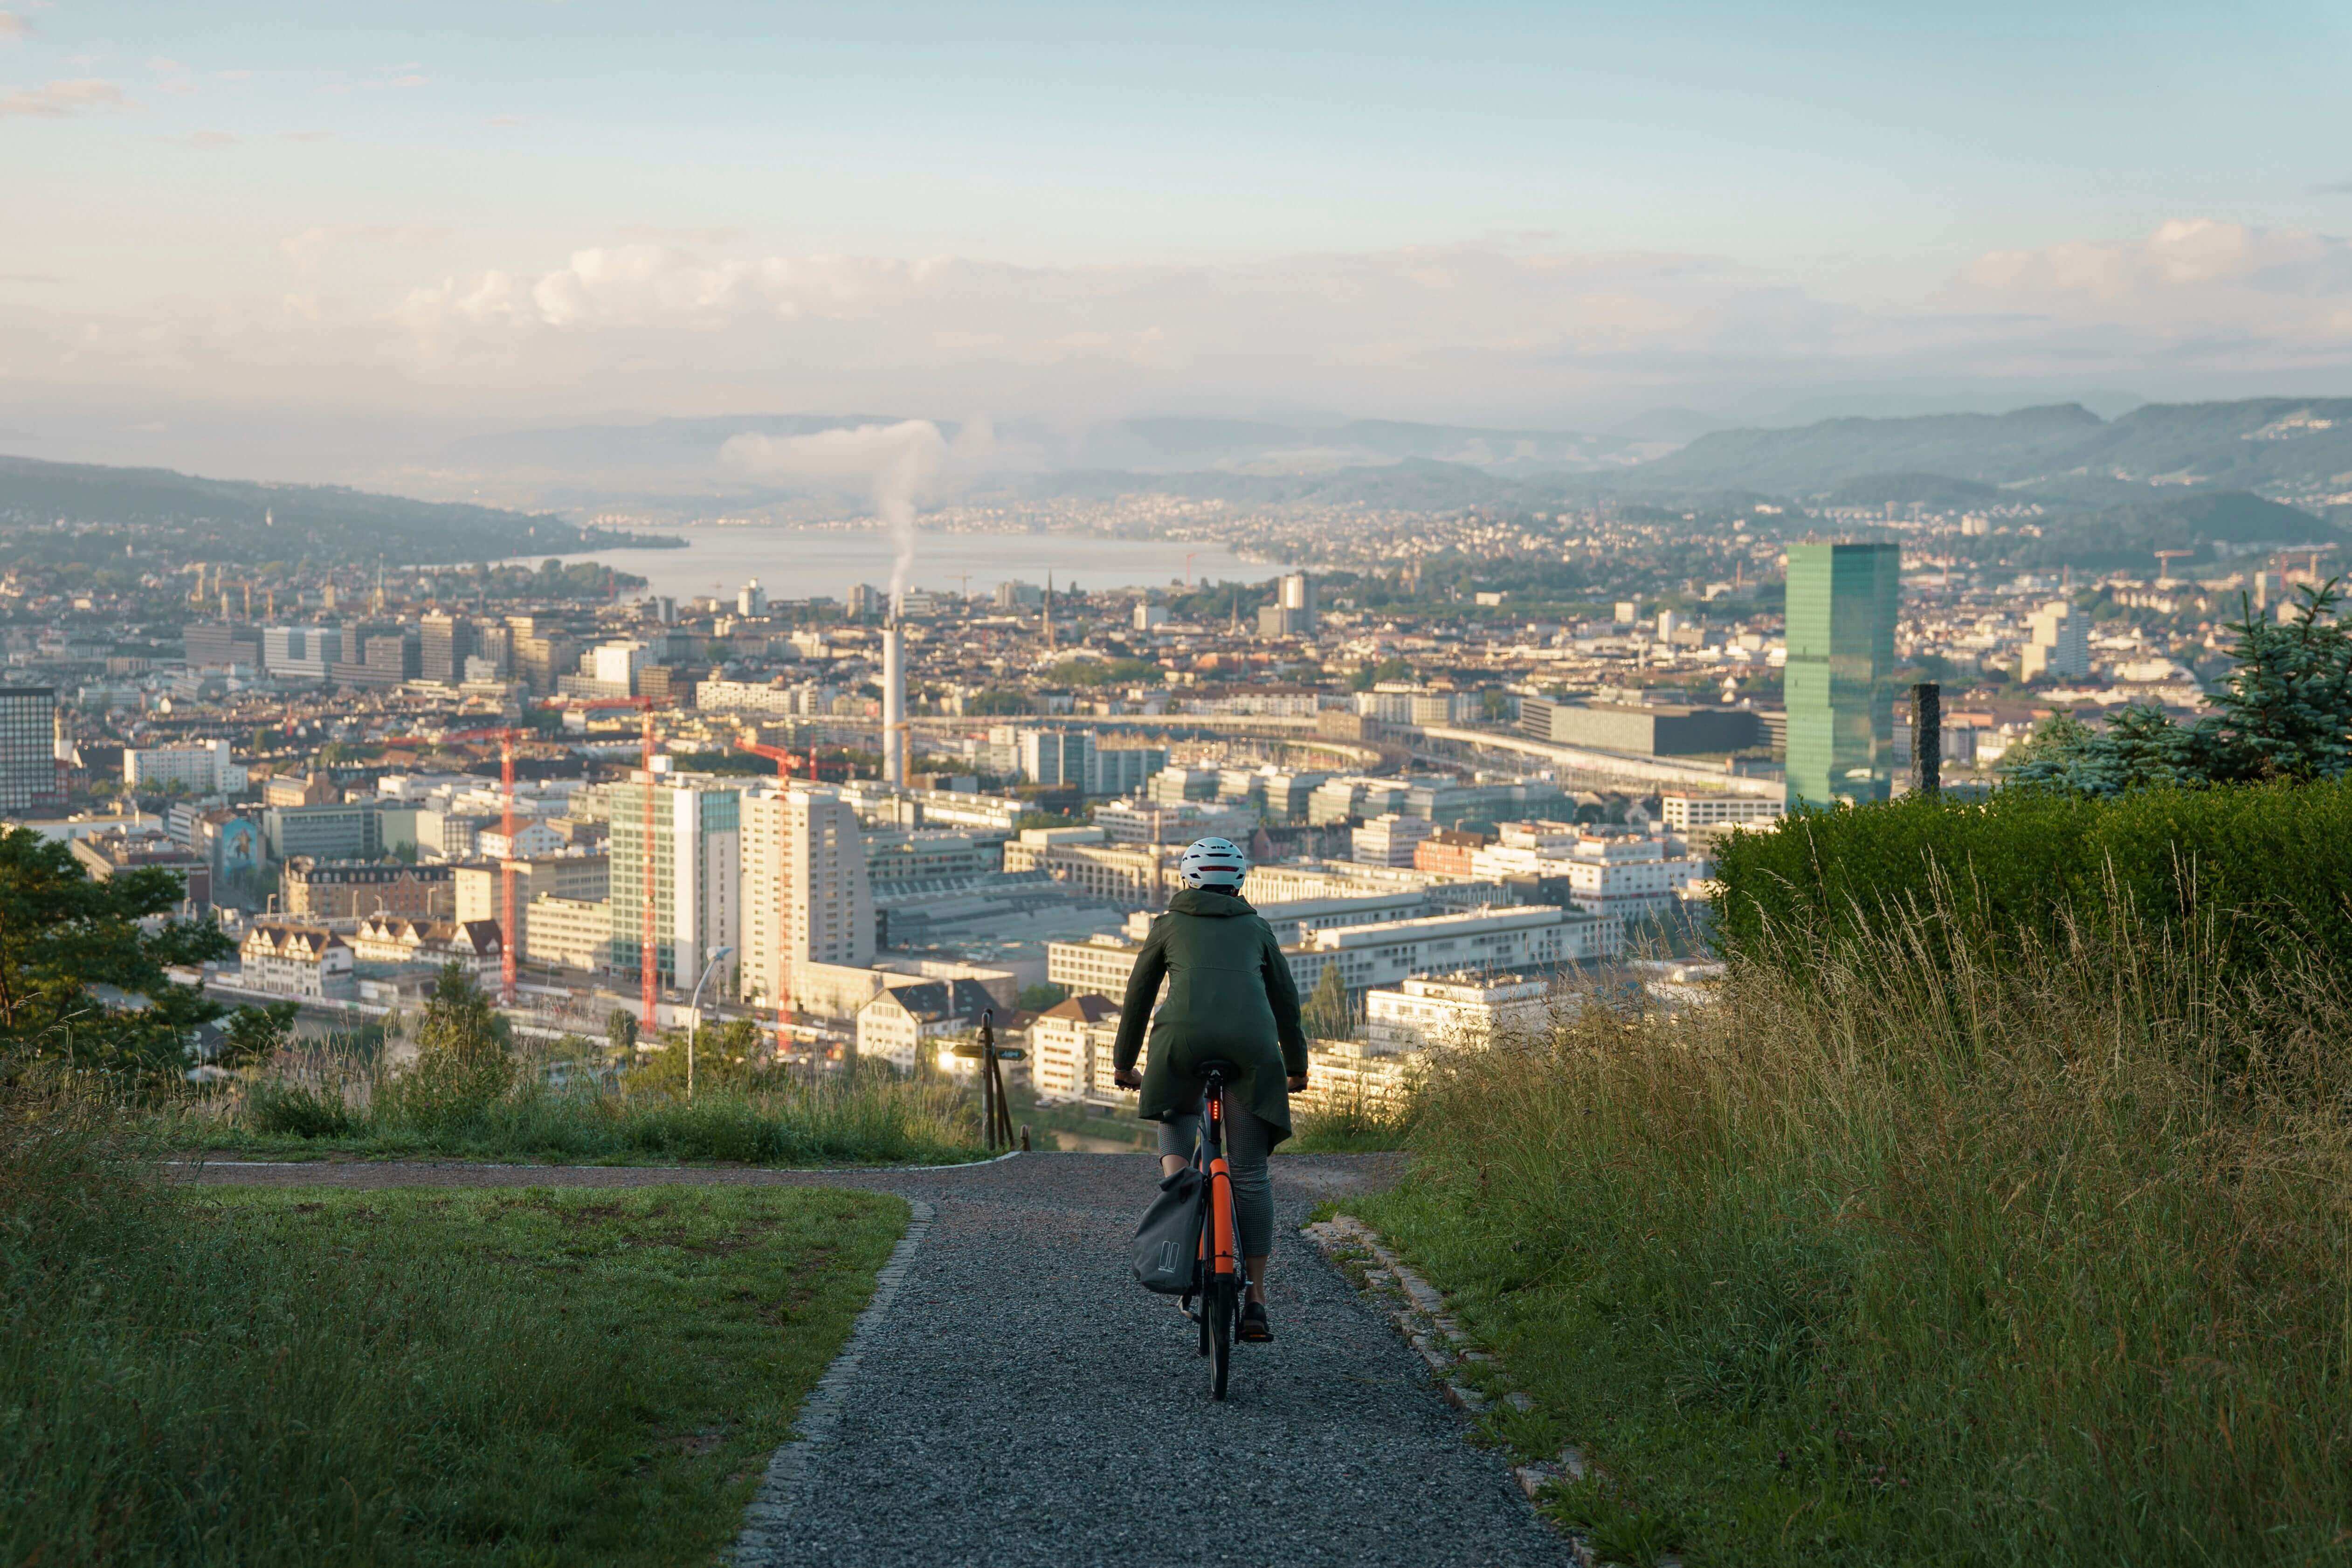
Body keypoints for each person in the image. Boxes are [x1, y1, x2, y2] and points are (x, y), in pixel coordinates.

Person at [1110, 836, 1308, 1343]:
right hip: (1251, 1049)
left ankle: (1180, 1189)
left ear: (1185, 879)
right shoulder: (1257, 928)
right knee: (1249, 1174)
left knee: (1175, 1114)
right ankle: (1256, 1299)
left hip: (1181, 1045)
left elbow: (1138, 997)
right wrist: (1296, 1068)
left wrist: (1124, 1064)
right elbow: (1285, 1002)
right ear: (1239, 882)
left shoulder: (1168, 925)